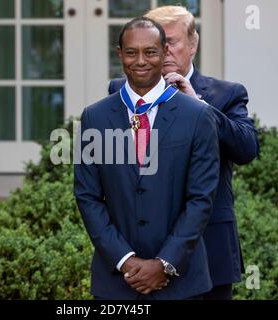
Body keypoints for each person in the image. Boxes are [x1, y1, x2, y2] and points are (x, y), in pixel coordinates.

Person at [108, 6, 260, 300]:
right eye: (158, 43)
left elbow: (246, 150)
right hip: (141, 250)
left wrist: (199, 107)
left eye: (172, 42)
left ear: (193, 43)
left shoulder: (225, 94)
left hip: (209, 245)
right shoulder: (120, 90)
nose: (164, 52)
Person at [74, 17, 220, 300]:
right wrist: (125, 260)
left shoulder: (198, 116)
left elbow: (201, 198)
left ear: (165, 52)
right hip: (116, 282)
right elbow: (87, 196)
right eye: (131, 52)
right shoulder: (95, 117)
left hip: (182, 281)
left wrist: (164, 263)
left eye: (150, 51)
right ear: (120, 54)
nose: (140, 60)